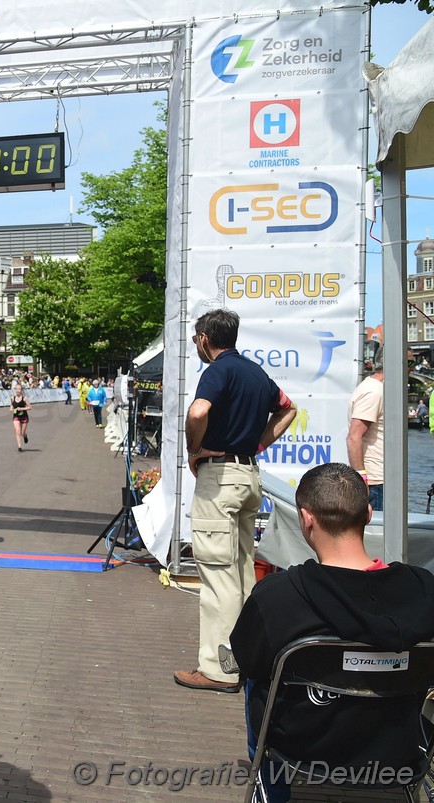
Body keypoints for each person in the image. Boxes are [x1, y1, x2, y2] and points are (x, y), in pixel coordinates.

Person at [229, 462, 434, 802]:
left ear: (306, 519)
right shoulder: (424, 589)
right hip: (396, 750)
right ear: (368, 513)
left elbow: (248, 660)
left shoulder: (280, 596)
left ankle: (272, 789)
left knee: (257, 675)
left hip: (300, 749)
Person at [174, 308, 295, 693]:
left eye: (196, 339)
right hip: (249, 476)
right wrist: (258, 443)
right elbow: (288, 408)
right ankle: (244, 660)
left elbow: (198, 410)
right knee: (242, 574)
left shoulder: (217, 371)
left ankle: (220, 669)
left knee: (218, 578)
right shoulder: (256, 373)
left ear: (206, 338)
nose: (197, 345)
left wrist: (196, 448)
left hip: (221, 478)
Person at [346, 360, 384, 511]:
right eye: (408, 363)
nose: (412, 367)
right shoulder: (374, 392)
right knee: (377, 532)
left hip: (380, 479)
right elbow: (353, 437)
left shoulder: (377, 389)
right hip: (375, 481)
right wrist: (362, 479)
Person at [10, 381, 30, 452]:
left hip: (24, 417)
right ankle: (19, 447)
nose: (17, 390)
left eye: (19, 389)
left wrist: (22, 408)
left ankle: (25, 436)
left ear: (22, 390)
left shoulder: (25, 398)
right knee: (17, 431)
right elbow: (11, 406)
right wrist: (12, 409)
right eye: (16, 389)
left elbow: (29, 407)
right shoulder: (12, 398)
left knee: (22, 432)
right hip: (16, 417)